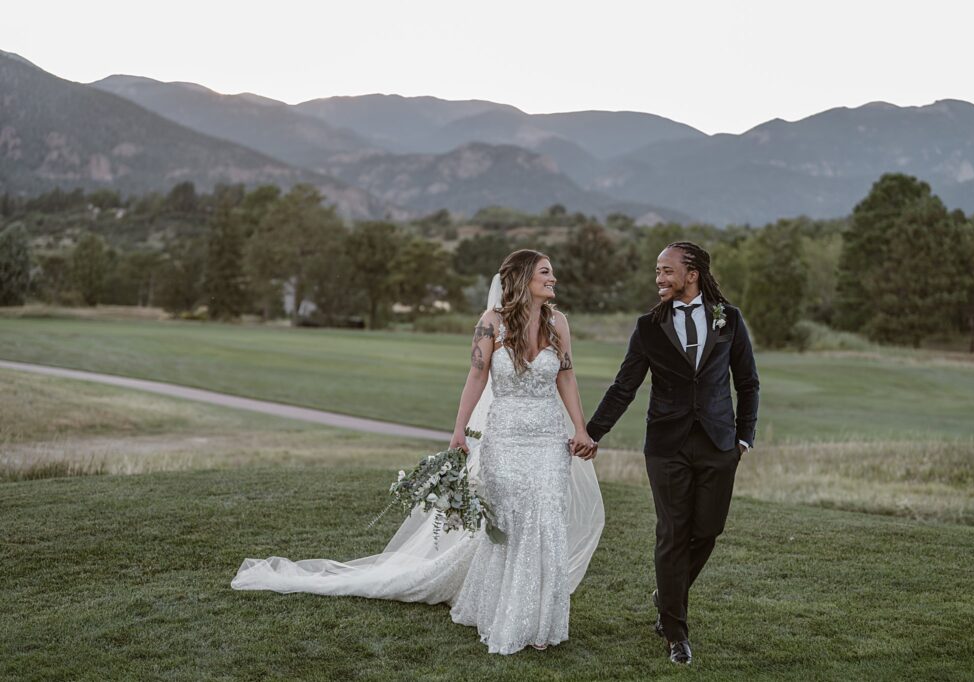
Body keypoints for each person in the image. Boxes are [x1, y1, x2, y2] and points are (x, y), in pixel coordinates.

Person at [231, 249, 604, 656]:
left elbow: (566, 376)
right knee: (511, 524)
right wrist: (459, 432)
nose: (554, 279)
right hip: (507, 441)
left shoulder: (558, 323)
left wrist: (580, 428)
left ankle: (540, 620)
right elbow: (476, 377)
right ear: (521, 278)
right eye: (545, 273)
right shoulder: (490, 324)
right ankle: (505, 611)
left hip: (549, 440)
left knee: (546, 519)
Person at [585, 241, 759, 665]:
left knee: (709, 529)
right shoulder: (648, 327)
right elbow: (623, 387)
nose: (659, 278)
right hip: (666, 446)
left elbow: (748, 383)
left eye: (666, 271)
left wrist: (743, 438)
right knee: (672, 531)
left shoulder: (729, 319)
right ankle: (675, 630)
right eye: (657, 271)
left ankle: (667, 595)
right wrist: (592, 433)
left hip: (719, 444)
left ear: (692, 273)